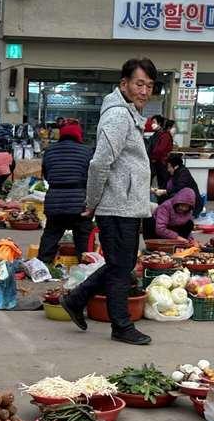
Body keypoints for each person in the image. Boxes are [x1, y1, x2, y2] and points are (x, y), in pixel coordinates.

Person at [61, 57, 158, 347]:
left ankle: (76, 299)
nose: (144, 91)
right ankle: (121, 325)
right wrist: (91, 202)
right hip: (117, 205)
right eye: (139, 84)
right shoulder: (118, 116)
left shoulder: (129, 114)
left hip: (125, 204)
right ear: (124, 84)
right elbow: (99, 163)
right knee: (120, 268)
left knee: (121, 264)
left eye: (149, 86)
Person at [37, 121, 94, 265]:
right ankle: (86, 268)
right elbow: (92, 176)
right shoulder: (87, 151)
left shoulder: (49, 151)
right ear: (78, 134)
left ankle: (42, 266)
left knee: (51, 235)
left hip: (55, 201)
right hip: (79, 202)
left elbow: (46, 175)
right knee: (83, 239)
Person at [161, 153, 203, 217]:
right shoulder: (172, 173)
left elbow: (179, 188)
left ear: (176, 166)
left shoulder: (184, 173)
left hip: (190, 206)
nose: (168, 170)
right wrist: (158, 190)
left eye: (169, 167)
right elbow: (165, 185)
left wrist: (164, 191)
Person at [147, 114, 174, 188]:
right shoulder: (157, 134)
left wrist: (153, 158)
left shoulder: (165, 135)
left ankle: (162, 195)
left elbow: (160, 149)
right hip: (157, 162)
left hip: (161, 163)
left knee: (162, 183)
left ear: (159, 123)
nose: (152, 124)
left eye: (154, 122)